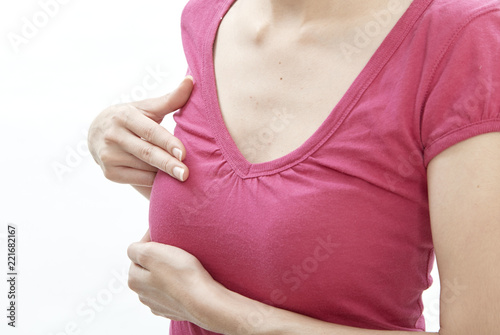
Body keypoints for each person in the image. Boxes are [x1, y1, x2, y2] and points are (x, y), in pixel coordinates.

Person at [88, 0, 500, 334]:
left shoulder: (464, 36)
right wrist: (120, 139)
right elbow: (265, 213)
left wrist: (212, 310)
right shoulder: (210, 16)